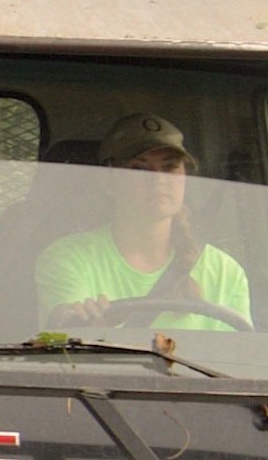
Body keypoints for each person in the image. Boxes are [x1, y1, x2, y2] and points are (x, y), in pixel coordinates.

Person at [34, 113, 253, 332]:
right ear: (109, 180)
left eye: (169, 167)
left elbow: (237, 361)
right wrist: (88, 330)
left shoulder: (226, 272)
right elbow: (64, 349)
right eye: (139, 169)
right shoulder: (68, 258)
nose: (158, 179)